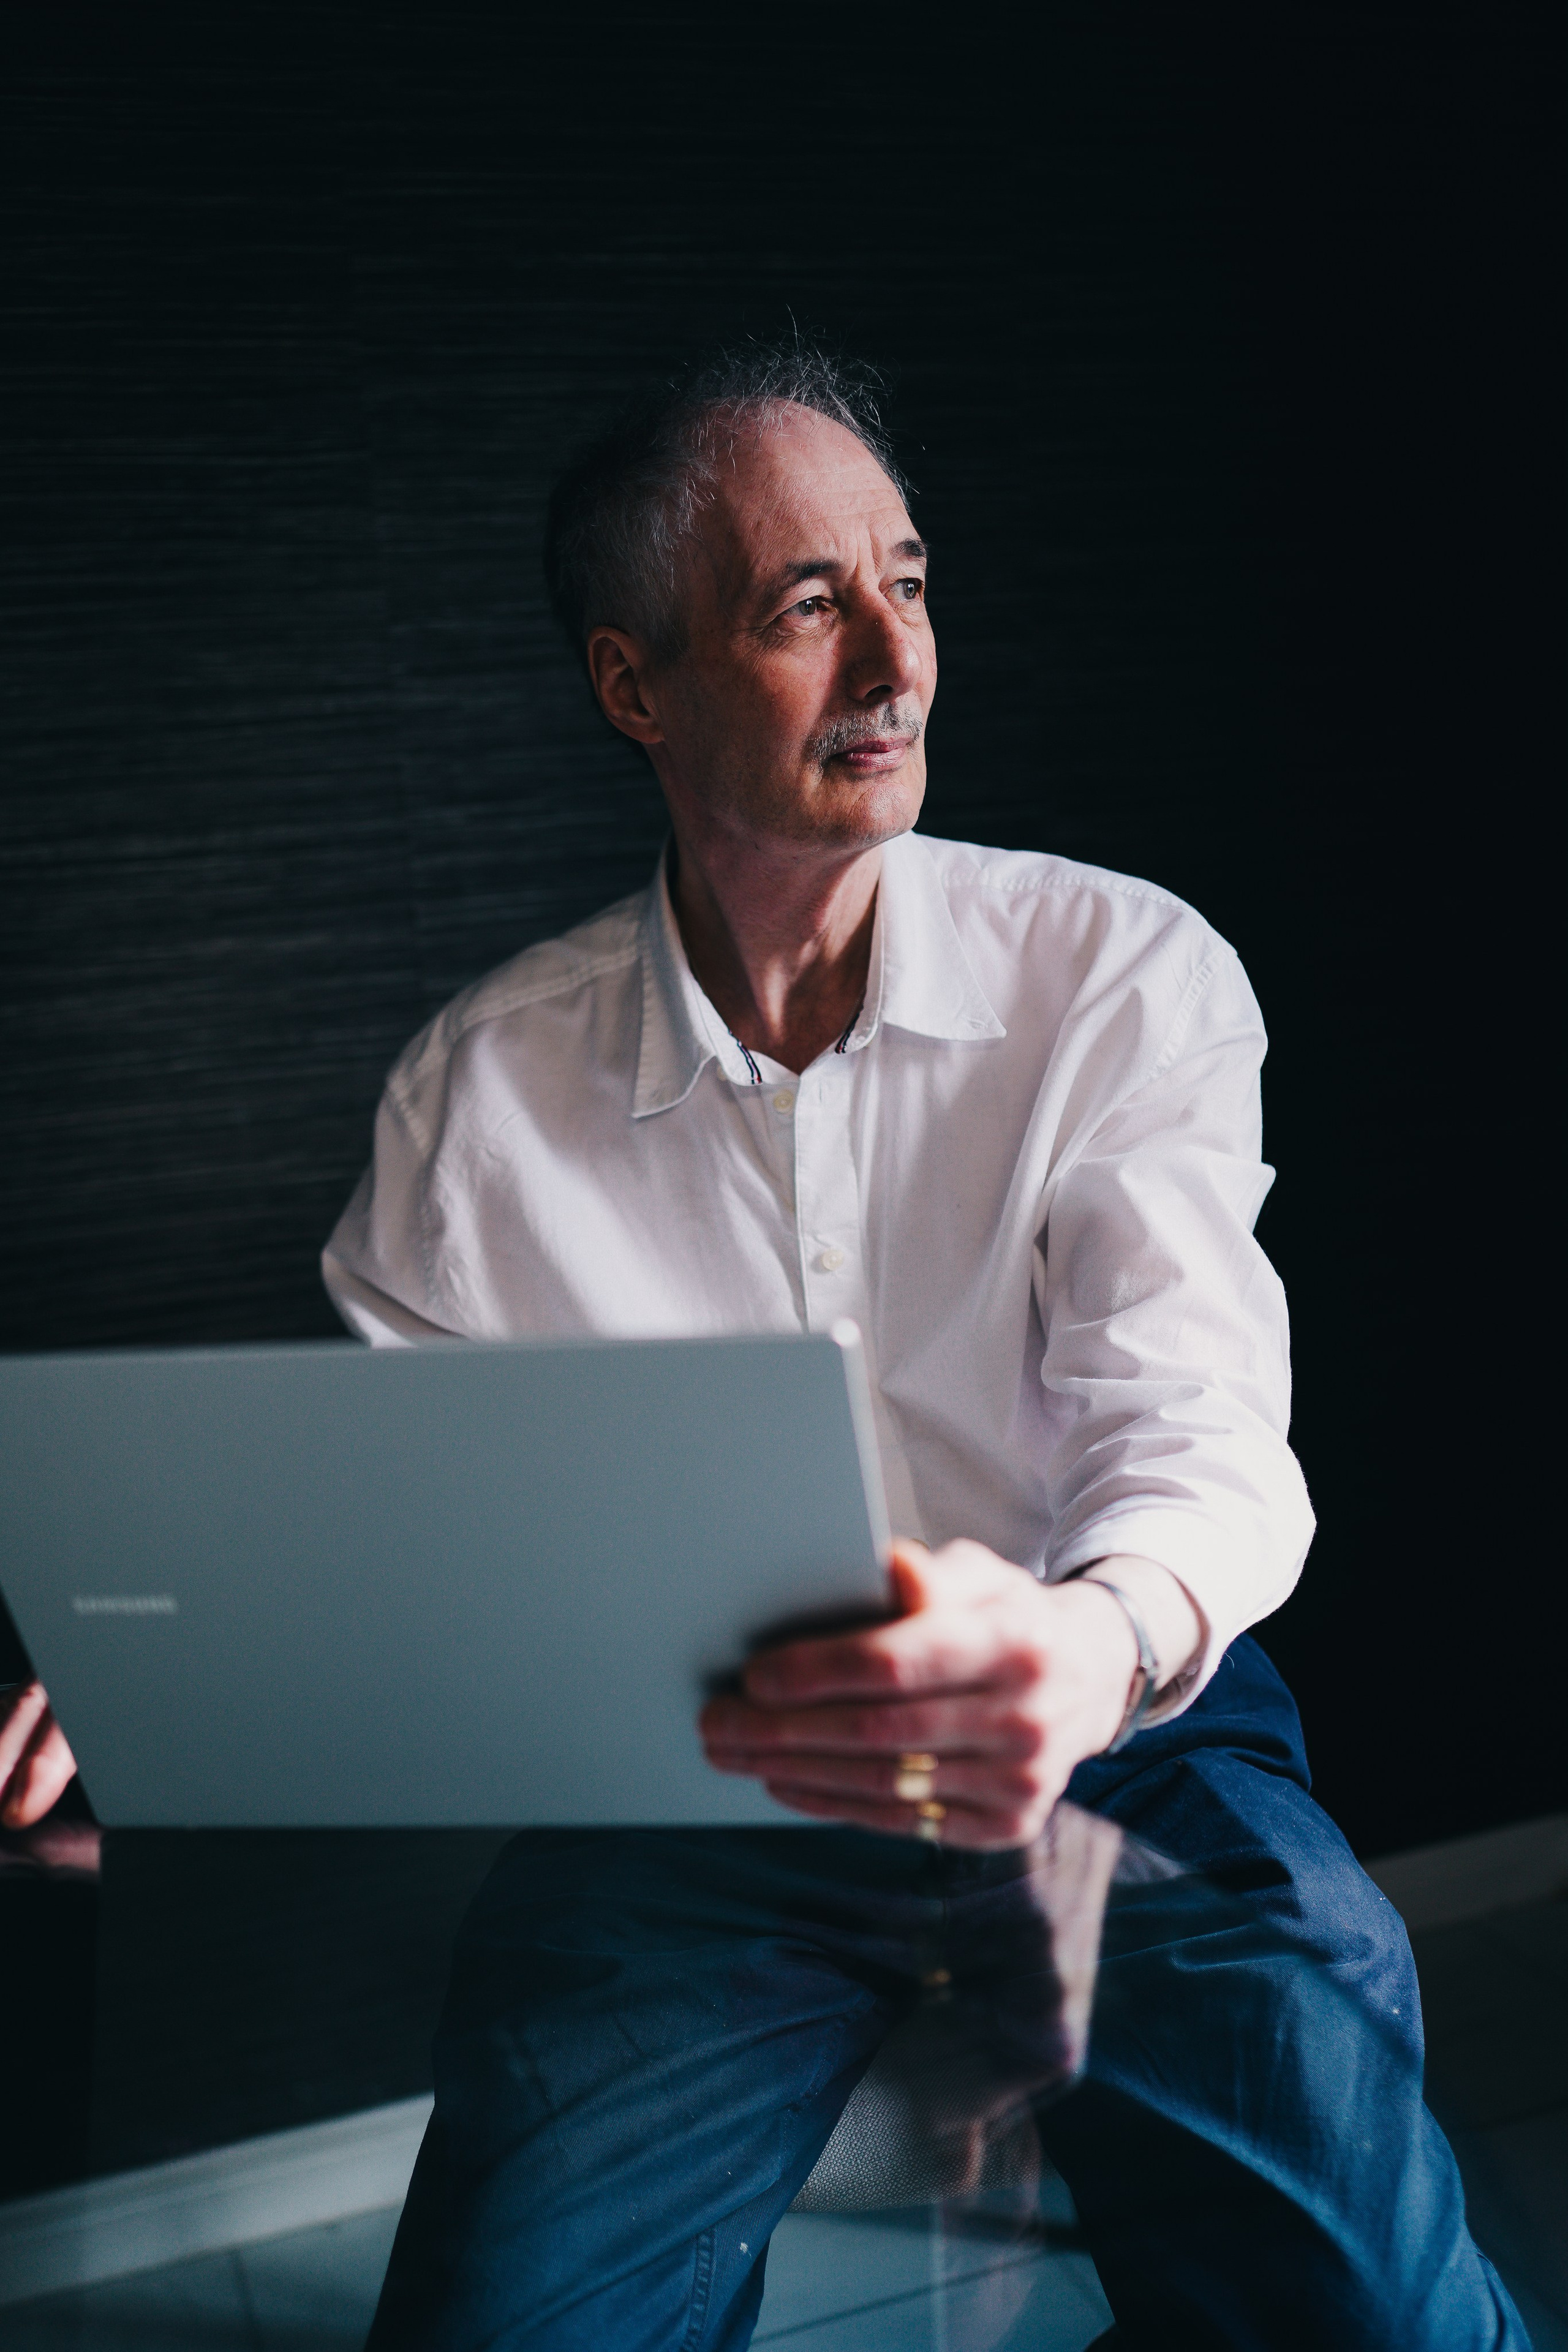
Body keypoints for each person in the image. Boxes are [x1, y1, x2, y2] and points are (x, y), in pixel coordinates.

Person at [1, 345, 1526, 2349]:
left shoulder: (1121, 971)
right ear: (637, 684)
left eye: (909, 580)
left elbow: (1204, 1428)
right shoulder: (478, 1101)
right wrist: (193, 1712)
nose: (899, 662)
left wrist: (1083, 1646)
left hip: (1123, 1754)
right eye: (812, 605)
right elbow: (418, 1562)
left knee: (1375, 2306)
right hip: (697, 1822)